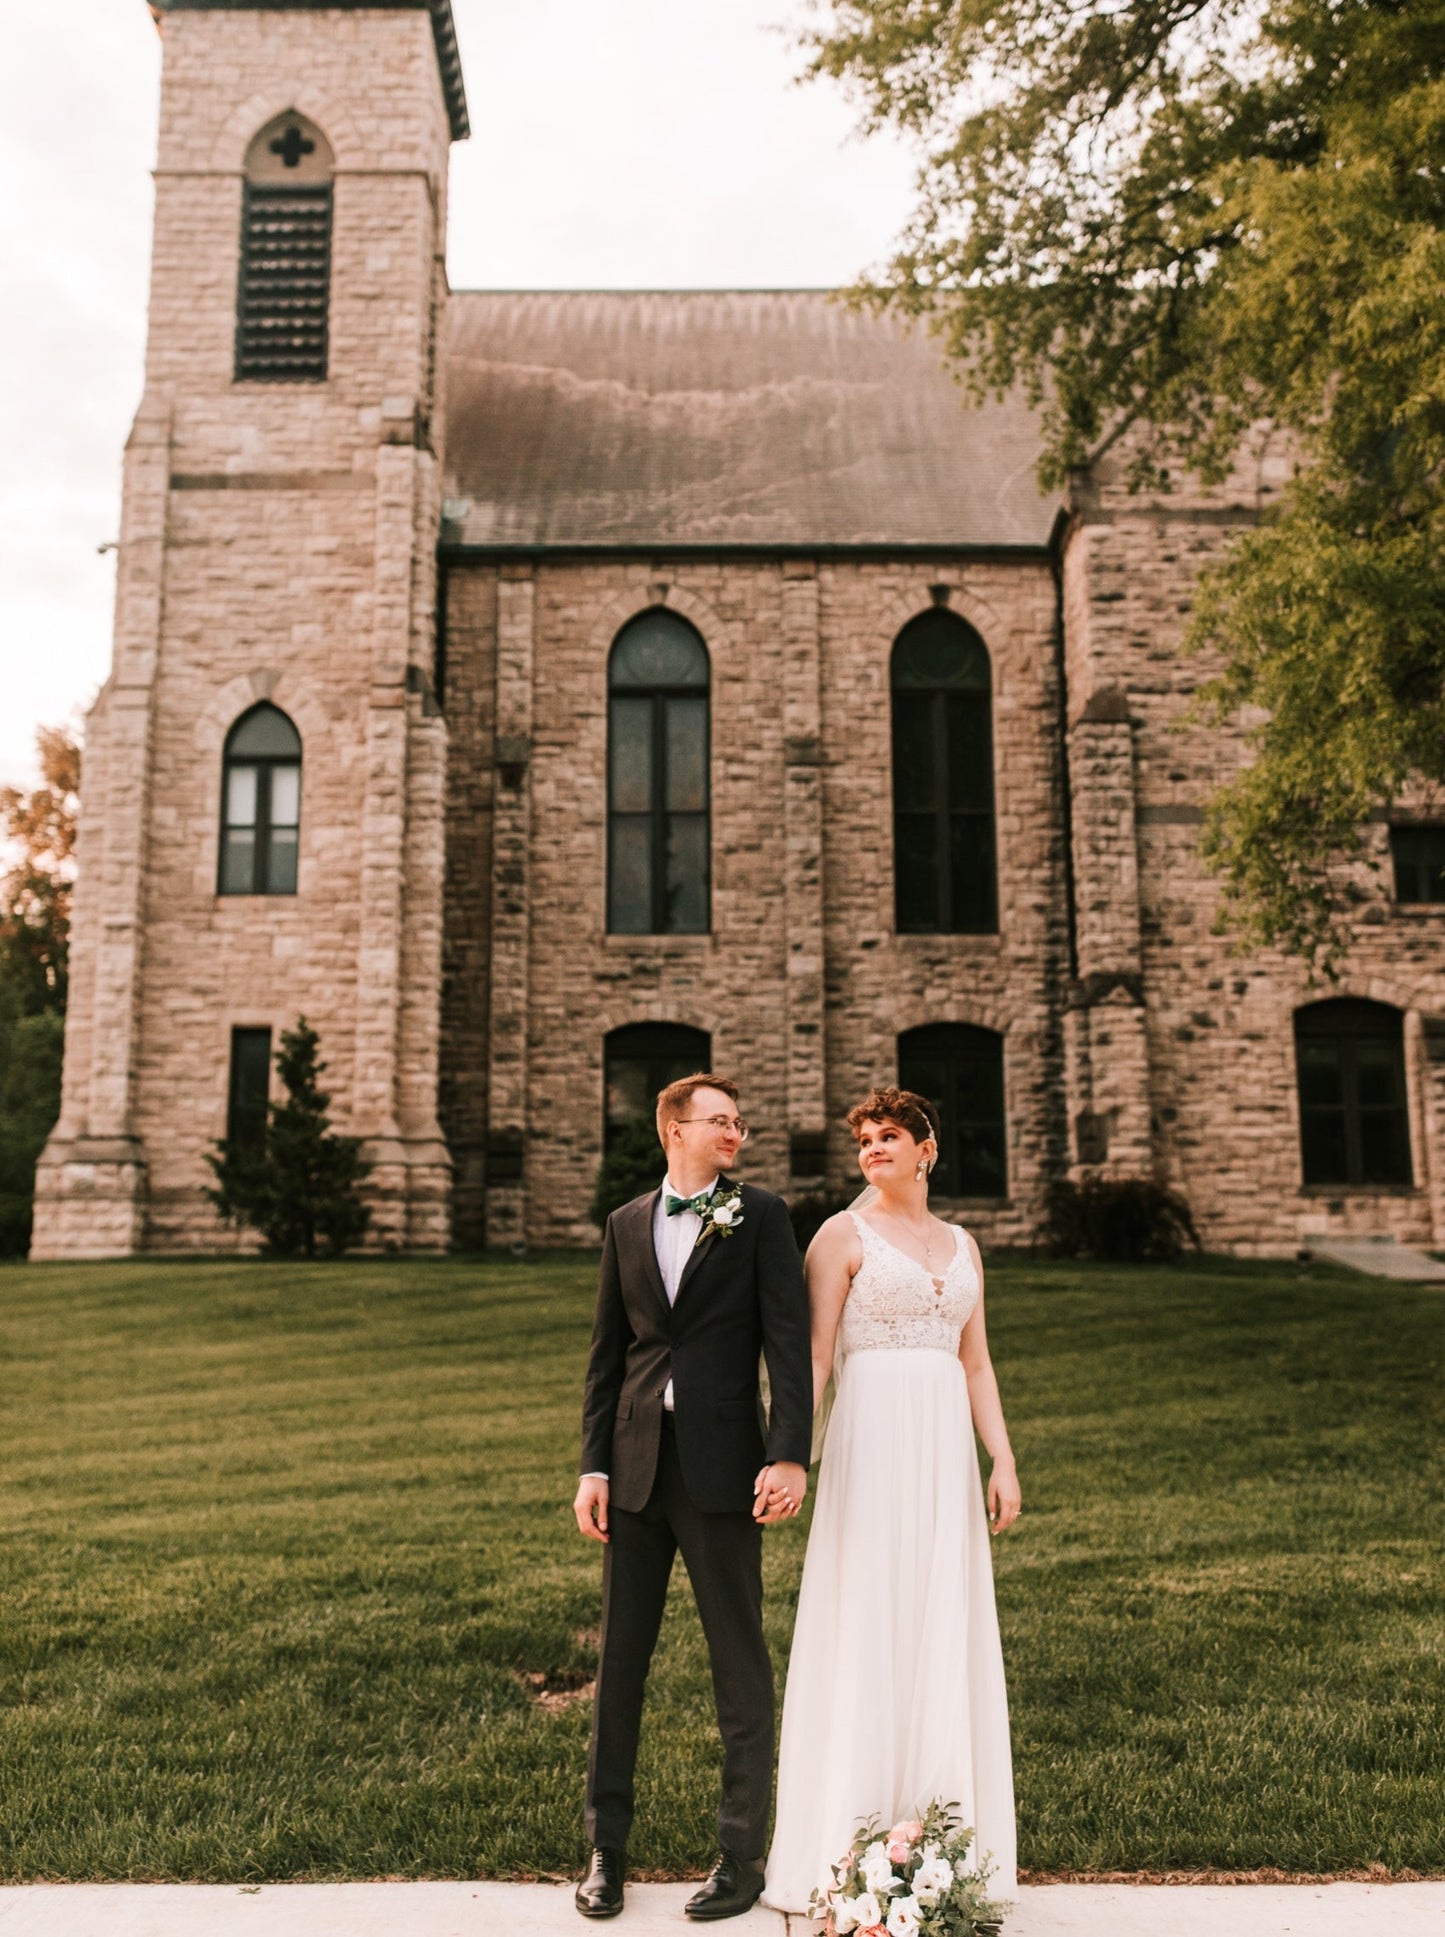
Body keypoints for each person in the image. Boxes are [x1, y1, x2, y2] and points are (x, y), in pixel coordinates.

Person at [763, 1086, 1021, 1915]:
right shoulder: (840, 1235)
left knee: (939, 1612)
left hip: (943, 1445)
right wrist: (788, 1453)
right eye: (865, 1138)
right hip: (870, 1437)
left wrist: (1001, 1458)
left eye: (889, 1135)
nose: (874, 1147)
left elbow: (975, 1362)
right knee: (869, 1609)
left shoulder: (963, 1242)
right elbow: (812, 1354)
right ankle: (848, 1841)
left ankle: (941, 1846)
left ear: (927, 1149)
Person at [573, 1074, 813, 1922]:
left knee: (736, 1663)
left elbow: (788, 1343)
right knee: (620, 1667)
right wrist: (591, 1466)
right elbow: (609, 1355)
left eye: (740, 1123)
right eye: (719, 1120)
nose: (734, 1133)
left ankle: (739, 1856)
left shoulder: (761, 1217)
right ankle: (606, 1850)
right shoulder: (625, 1224)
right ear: (673, 1129)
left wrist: (789, 1453)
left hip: (723, 1472)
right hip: (634, 1471)